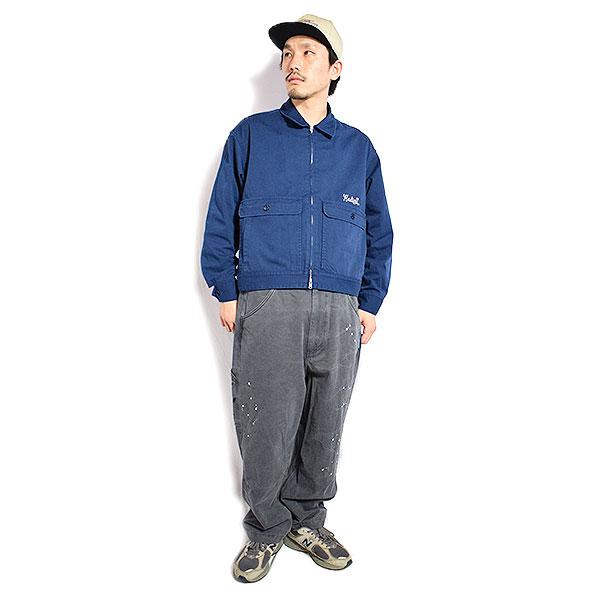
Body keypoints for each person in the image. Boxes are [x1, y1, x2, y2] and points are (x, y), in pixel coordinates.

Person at [200, 14, 393, 583]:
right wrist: (226, 289)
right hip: (267, 302)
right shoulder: (251, 136)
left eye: (308, 52)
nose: (293, 62)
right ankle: (266, 527)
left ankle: (307, 519)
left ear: (334, 69)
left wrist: (369, 301)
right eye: (287, 52)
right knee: (266, 422)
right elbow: (220, 218)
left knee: (325, 420)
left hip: (339, 308)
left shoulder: (358, 149)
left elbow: (379, 232)